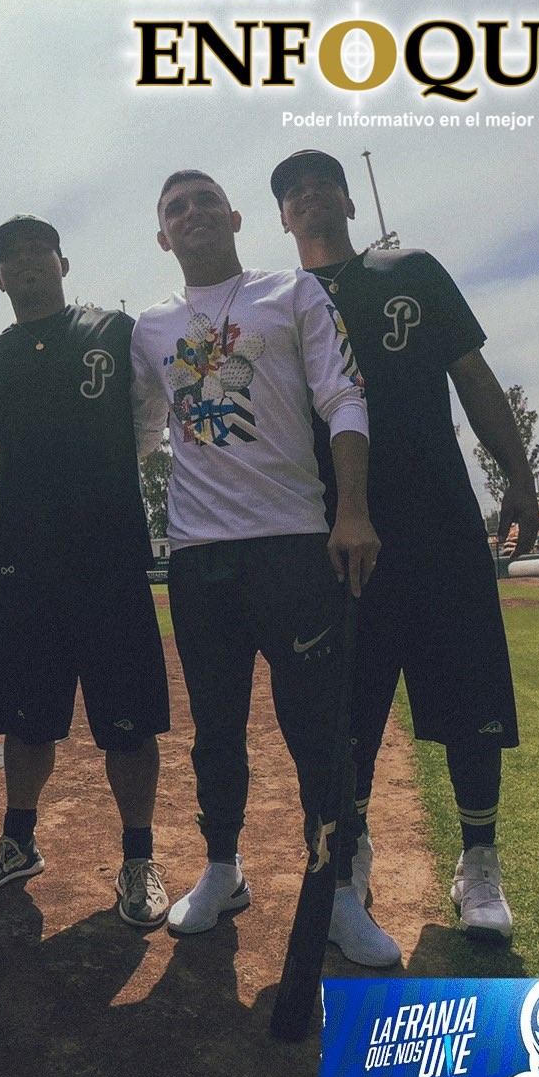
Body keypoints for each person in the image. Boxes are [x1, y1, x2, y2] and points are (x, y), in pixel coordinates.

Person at [271, 148, 538, 941]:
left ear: (349, 203)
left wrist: (516, 474)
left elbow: (472, 373)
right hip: (334, 537)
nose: (308, 193)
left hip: (438, 523)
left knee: (468, 698)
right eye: (291, 189)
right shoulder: (276, 304)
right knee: (346, 706)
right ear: (281, 217)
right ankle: (348, 846)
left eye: (322, 182)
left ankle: (477, 861)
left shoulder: (411, 270)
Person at [131, 169, 395, 966]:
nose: (192, 213)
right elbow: (138, 432)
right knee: (215, 729)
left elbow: (343, 396)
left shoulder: (289, 292)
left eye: (205, 200)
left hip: (290, 544)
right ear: (162, 236)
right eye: (175, 207)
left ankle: (337, 888)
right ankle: (222, 869)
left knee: (317, 729)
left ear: (235, 216)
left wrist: (351, 509)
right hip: (198, 556)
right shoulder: (148, 327)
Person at [0, 216, 171, 928]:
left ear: (62, 261)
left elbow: (148, 419)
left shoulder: (113, 329)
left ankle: (138, 857)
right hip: (24, 562)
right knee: (25, 721)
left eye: (35, 251)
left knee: (129, 722)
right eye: (9, 257)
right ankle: (18, 841)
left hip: (108, 558)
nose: (23, 263)